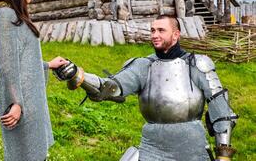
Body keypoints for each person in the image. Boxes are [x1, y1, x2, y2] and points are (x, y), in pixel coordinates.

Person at [54, 15, 238, 161]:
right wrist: (78, 75)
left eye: (161, 30)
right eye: (152, 30)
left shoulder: (197, 64)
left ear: (176, 35)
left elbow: (220, 109)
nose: (154, 35)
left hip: (191, 145)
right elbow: (109, 88)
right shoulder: (143, 66)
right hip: (153, 146)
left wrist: (223, 156)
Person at [0, 0, 68, 160]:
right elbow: (6, 67)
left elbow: (22, 62)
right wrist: (16, 103)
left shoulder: (14, 16)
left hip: (30, 106)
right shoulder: (4, 16)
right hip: (21, 110)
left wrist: (48, 65)